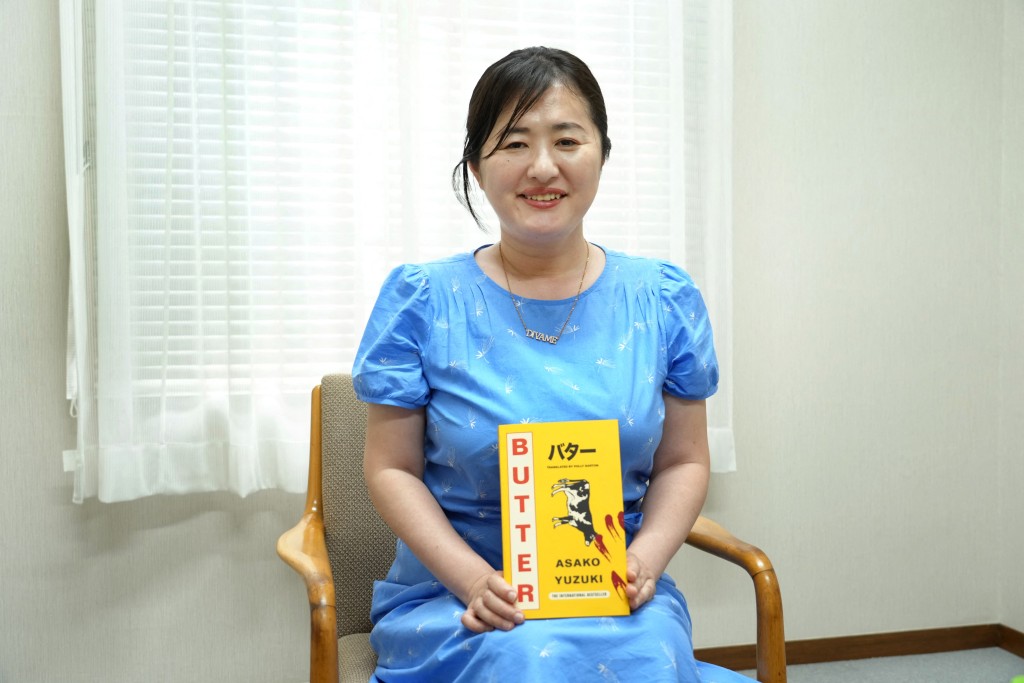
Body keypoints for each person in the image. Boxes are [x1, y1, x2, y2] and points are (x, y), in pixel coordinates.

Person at [353, 46, 752, 683]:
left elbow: (684, 459)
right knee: (523, 663)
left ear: (601, 154)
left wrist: (645, 558)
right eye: (514, 143)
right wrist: (473, 580)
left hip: (613, 590)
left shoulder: (663, 298)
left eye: (567, 139)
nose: (543, 167)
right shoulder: (421, 301)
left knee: (646, 656)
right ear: (478, 167)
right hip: (463, 593)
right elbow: (390, 468)